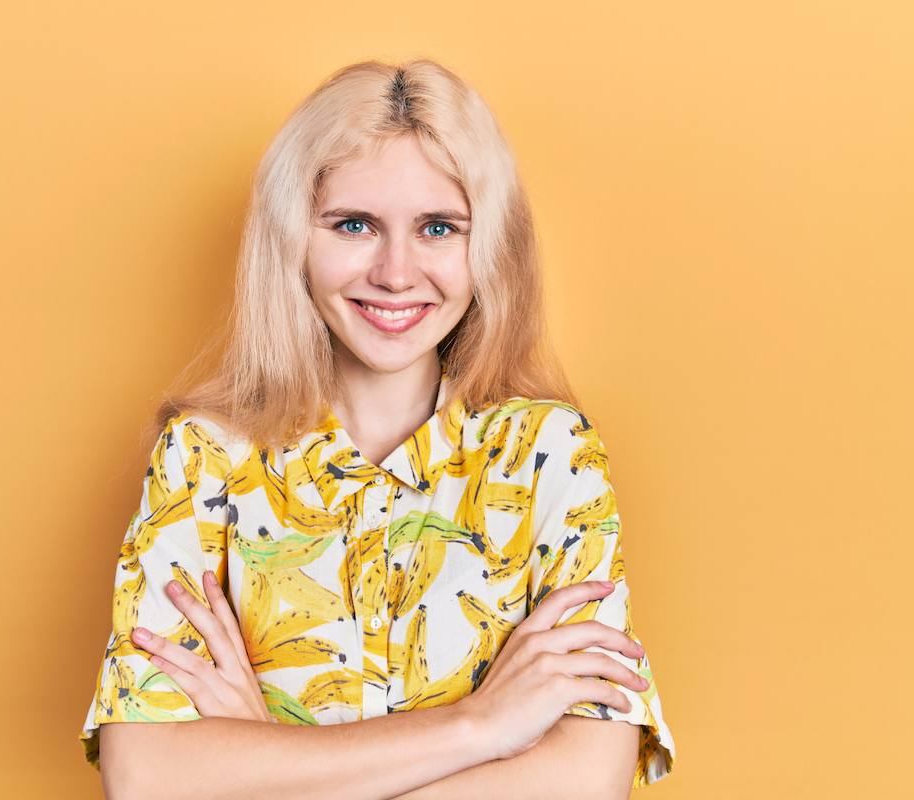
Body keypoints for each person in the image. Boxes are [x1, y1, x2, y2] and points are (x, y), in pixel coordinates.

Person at [81, 59, 674, 799]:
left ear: (489, 246)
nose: (396, 273)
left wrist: (265, 763)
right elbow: (147, 780)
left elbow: (588, 779)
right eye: (354, 225)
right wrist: (481, 727)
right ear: (292, 238)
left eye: (438, 228)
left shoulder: (552, 457)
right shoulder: (203, 460)